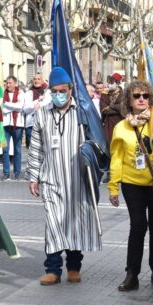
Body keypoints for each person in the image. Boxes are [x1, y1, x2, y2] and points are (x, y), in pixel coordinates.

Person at [26, 67, 101, 285]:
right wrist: (33, 176)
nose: (59, 95)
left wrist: (91, 150)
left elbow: (98, 141)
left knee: (75, 223)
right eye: (54, 91)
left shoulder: (82, 112)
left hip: (78, 179)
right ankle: (53, 269)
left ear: (71, 90)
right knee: (53, 224)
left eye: (63, 91)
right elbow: (36, 147)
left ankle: (74, 267)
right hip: (51, 178)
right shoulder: (42, 114)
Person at [109, 80, 153, 291]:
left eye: (145, 96)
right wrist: (113, 187)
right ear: (128, 100)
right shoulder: (121, 127)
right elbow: (116, 159)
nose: (141, 99)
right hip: (131, 183)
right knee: (138, 225)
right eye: (136, 96)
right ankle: (132, 274)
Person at [0, 76, 25, 180]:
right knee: (5, 149)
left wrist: (7, 104)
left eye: (10, 83)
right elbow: (3, 109)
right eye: (7, 83)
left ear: (15, 84)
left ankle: (17, 172)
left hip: (17, 124)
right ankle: (6, 173)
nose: (8, 85)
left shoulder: (21, 93)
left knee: (17, 150)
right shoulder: (2, 94)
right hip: (5, 125)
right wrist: (13, 106)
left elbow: (20, 107)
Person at [23, 73, 49, 150]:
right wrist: (37, 101)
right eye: (34, 79)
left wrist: (40, 104)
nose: (36, 81)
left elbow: (48, 104)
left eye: (38, 79)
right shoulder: (28, 93)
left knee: (45, 148)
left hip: (44, 123)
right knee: (31, 149)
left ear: (42, 81)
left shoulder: (47, 92)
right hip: (31, 124)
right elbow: (26, 109)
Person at [100, 74, 124, 142]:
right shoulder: (104, 94)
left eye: (111, 83)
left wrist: (112, 106)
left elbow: (124, 108)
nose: (109, 85)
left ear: (117, 83)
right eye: (109, 83)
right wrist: (118, 108)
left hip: (121, 122)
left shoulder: (124, 94)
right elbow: (104, 110)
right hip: (108, 124)